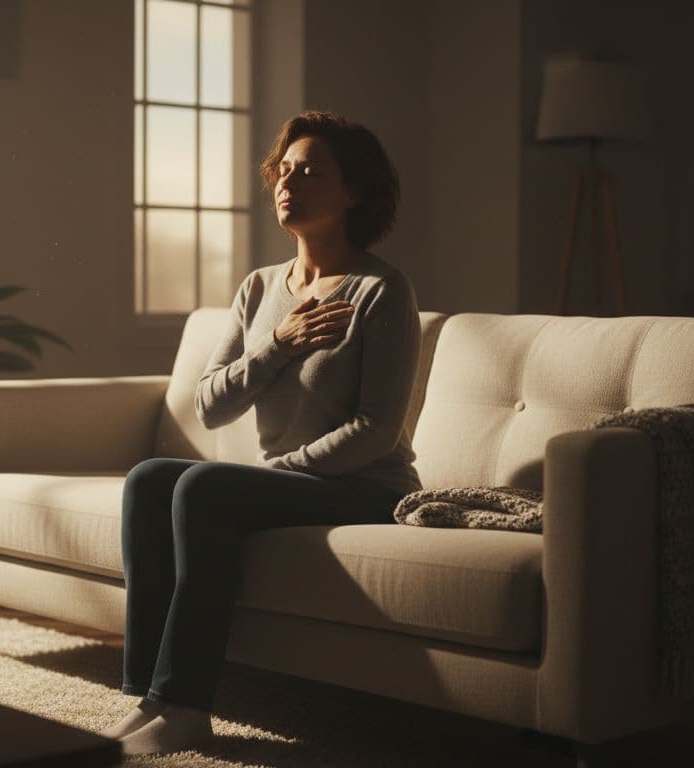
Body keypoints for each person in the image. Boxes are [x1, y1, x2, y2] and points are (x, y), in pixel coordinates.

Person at [101, 111, 423, 755]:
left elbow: (375, 431)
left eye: (310, 172)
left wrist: (275, 472)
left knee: (203, 489)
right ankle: (149, 696)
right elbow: (209, 405)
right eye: (284, 170)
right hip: (296, 483)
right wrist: (277, 344)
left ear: (353, 192)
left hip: (365, 488)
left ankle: (187, 707)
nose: (287, 183)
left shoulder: (381, 291)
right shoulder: (259, 289)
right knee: (148, 480)